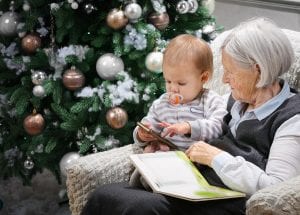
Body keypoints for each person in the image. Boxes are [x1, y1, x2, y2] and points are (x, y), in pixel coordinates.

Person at [81, 17, 300, 215]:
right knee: (104, 195)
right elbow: (194, 128)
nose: (224, 81)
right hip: (195, 188)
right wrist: (159, 139)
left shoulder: (292, 118)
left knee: (139, 208)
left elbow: (276, 189)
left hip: (225, 203)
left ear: (258, 71)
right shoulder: (235, 101)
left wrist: (215, 157)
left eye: (231, 72)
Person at [129, 34, 227, 188]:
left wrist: (188, 127)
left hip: (197, 164)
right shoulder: (162, 103)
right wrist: (142, 133)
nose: (173, 88)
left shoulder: (210, 100)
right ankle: (143, 183)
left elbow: (219, 126)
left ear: (203, 78)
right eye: (168, 81)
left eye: (181, 83)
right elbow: (148, 123)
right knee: (149, 162)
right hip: (166, 158)